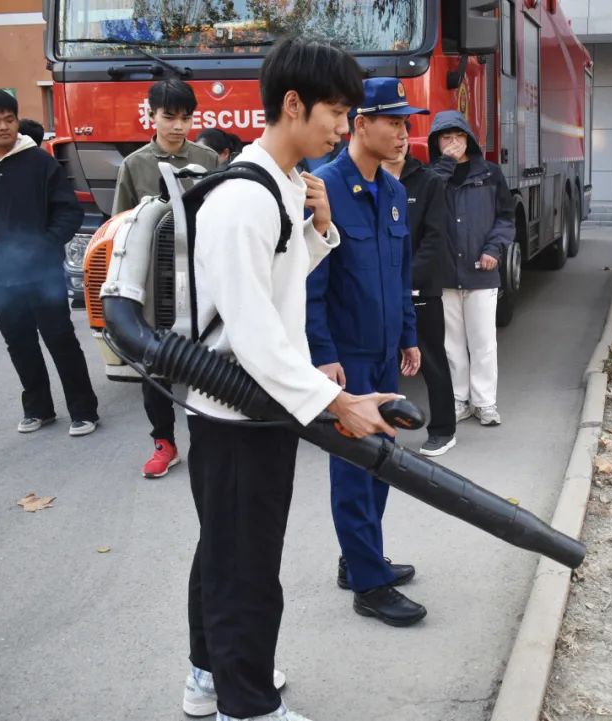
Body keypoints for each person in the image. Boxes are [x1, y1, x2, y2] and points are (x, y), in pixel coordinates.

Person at [183, 40, 398, 721]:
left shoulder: (282, 185)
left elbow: (269, 289)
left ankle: (211, 675)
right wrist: (337, 402)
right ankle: (246, 704)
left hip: (252, 405)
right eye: (337, 112)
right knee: (244, 566)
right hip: (237, 411)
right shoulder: (243, 198)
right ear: (294, 104)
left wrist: (319, 232)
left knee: (224, 553)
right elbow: (253, 333)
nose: (343, 128)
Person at [306, 77, 426, 627]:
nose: (403, 133)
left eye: (406, 124)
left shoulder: (395, 192)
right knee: (355, 468)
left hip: (383, 352)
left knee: (383, 462)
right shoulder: (324, 188)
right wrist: (322, 353)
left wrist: (408, 335)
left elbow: (401, 276)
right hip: (346, 357)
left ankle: (360, 558)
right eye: (393, 123)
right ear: (361, 125)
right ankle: (369, 586)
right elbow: (310, 283)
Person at [0, 90, 99, 435]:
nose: (4, 127)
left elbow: (68, 212)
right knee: (19, 343)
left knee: (60, 340)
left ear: (17, 121)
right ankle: (38, 409)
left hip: (42, 273)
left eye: (9, 119)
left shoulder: (41, 163)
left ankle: (84, 411)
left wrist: (45, 246)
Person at [113, 79, 219, 478]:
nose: (178, 126)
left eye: (186, 118)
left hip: (202, 282)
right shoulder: (135, 165)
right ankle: (164, 442)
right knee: (154, 364)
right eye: (169, 116)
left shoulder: (208, 160)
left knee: (205, 363)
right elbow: (121, 227)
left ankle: (207, 440)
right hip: (154, 285)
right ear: (152, 116)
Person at [427, 111, 514, 426]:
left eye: (459, 136)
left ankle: (485, 402)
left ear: (469, 139)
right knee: (451, 344)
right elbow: (424, 209)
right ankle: (459, 400)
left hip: (480, 272)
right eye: (446, 138)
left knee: (483, 342)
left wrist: (494, 249)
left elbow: (506, 216)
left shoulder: (490, 174)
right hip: (444, 273)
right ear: (436, 143)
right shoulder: (431, 176)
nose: (453, 143)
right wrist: (445, 167)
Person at [381, 126, 458, 456]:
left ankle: (443, 429)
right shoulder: (368, 181)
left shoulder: (428, 181)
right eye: (392, 133)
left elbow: (434, 238)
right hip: (378, 291)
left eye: (403, 135)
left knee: (431, 360)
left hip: (419, 290)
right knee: (380, 361)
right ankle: (379, 429)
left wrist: (405, 280)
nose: (399, 141)